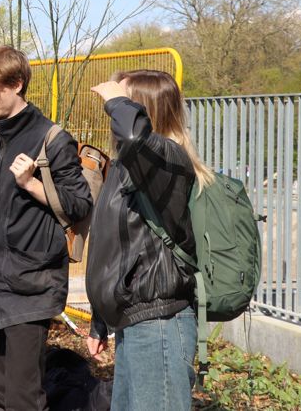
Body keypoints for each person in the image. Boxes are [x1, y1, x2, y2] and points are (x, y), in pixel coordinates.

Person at [0, 45, 91, 410]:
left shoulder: (52, 139)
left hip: (29, 285)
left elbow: (80, 205)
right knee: (0, 391)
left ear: (16, 84)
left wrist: (31, 184)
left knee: (23, 397)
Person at [85, 69, 213, 410]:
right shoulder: (130, 169)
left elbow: (132, 136)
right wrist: (100, 320)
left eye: (126, 100)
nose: (113, 112)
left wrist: (115, 99)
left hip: (160, 325)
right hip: (136, 322)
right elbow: (113, 249)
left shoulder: (167, 160)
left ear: (144, 109)